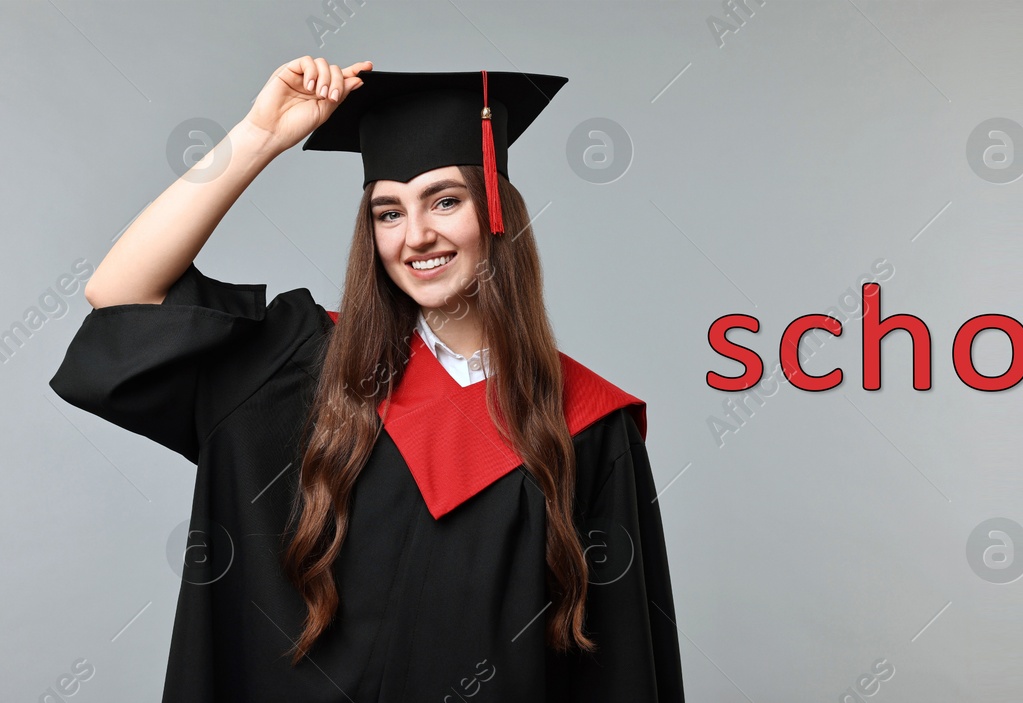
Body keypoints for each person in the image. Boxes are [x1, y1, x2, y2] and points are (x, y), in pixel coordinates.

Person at [48, 57, 685, 702]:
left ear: (495, 211)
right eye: (388, 212)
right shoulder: (300, 364)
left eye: (445, 201)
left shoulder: (586, 423)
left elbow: (620, 664)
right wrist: (259, 135)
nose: (417, 236)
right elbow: (120, 294)